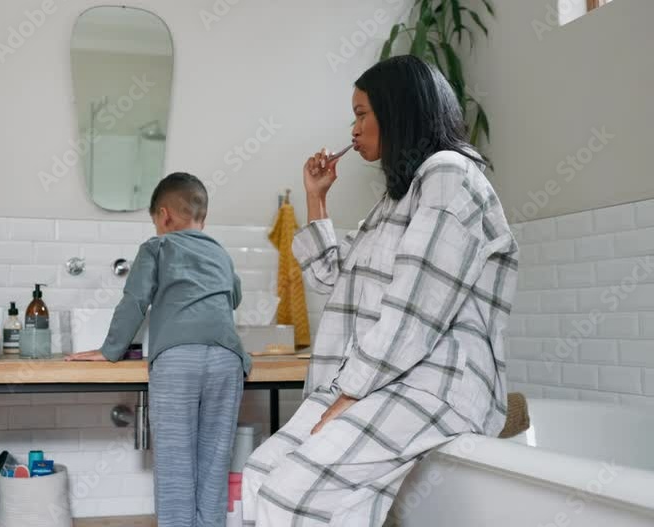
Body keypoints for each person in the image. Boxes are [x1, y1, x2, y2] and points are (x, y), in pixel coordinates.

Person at [241, 55, 519, 526]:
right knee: (259, 475)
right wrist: (316, 196)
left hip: (433, 384)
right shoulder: (396, 200)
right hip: (382, 381)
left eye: (361, 114)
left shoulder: (449, 175)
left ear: (397, 111)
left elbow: (416, 313)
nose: (353, 129)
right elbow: (331, 278)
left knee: (291, 495)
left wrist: (349, 396)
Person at [66, 172, 250, 527]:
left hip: (178, 360)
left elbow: (135, 301)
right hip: (228, 359)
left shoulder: (157, 247)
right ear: (202, 216)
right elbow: (235, 297)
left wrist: (109, 350)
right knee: (215, 464)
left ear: (163, 216)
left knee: (176, 465)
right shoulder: (220, 253)